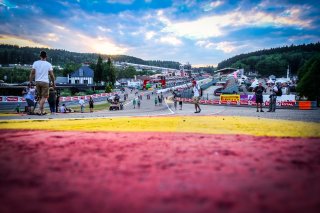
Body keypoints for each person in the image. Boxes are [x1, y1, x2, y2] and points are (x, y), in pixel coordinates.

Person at [29, 51, 55, 115]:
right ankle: (39, 110)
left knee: (40, 97)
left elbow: (32, 73)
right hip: (45, 82)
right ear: (46, 57)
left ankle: (42, 111)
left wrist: (30, 81)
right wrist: (53, 82)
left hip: (37, 81)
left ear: (40, 56)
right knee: (44, 97)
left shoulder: (35, 63)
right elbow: (51, 75)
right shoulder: (48, 64)